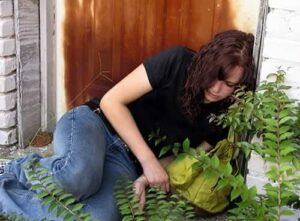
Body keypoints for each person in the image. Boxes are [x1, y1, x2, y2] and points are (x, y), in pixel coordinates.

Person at [0, 30, 255, 221]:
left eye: (230, 85)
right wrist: (149, 160)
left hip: (125, 164)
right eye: (216, 76)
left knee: (96, 216)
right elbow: (112, 101)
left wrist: (145, 178)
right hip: (96, 124)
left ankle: (4, 192)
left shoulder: (224, 118)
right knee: (77, 176)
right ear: (206, 62)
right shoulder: (177, 61)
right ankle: (18, 167)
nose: (216, 88)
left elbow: (186, 158)